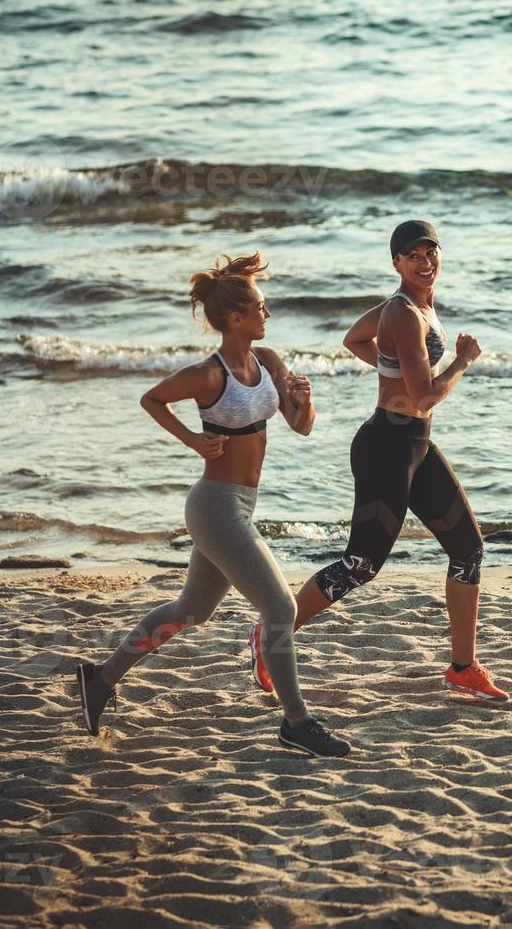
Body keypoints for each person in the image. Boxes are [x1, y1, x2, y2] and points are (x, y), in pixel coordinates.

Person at [74, 252, 351, 757]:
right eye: (261, 309)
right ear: (236, 319)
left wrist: (304, 400)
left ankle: (100, 680)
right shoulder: (208, 374)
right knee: (280, 607)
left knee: (191, 609)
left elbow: (301, 425)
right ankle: (296, 721)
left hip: (240, 507)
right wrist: (193, 441)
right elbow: (152, 399)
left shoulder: (268, 361)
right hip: (214, 508)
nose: (268, 316)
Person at [249, 220, 508, 701]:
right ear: (396, 264)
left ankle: (462, 667)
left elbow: (353, 338)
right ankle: (271, 634)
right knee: (362, 563)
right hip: (386, 447)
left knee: (468, 549)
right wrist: (463, 361)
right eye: (414, 256)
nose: (425, 262)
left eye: (431, 252)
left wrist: (393, 368)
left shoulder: (416, 307)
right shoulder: (403, 314)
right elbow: (427, 396)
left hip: (417, 446)